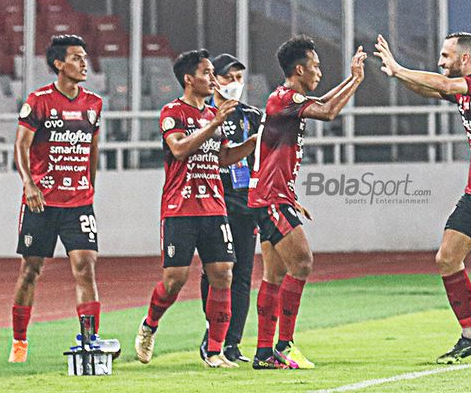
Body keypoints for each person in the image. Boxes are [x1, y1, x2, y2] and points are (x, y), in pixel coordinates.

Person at [374, 32, 471, 364]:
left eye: (445, 57)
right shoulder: (463, 90)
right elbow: (430, 88)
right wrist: (397, 74)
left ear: (464, 59)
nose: (440, 62)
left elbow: (444, 86)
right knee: (447, 258)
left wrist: (400, 67)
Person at [248, 35, 367, 369]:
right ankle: (284, 345)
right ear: (299, 69)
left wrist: (350, 79)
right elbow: (328, 111)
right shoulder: (284, 99)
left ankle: (263, 353)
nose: (319, 71)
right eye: (315, 65)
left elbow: (323, 101)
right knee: (302, 263)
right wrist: (356, 81)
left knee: (274, 275)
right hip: (271, 197)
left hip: (272, 195)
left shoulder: (286, 98)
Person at [134, 49, 257, 368]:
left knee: (223, 274)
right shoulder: (173, 111)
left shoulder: (213, 116)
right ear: (189, 79)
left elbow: (224, 158)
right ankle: (150, 325)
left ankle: (214, 351)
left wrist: (257, 140)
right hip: (180, 206)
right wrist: (214, 122)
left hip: (214, 206)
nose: (212, 79)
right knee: (174, 279)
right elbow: (178, 149)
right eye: (207, 73)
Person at [8, 34, 114, 363]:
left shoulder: (93, 104)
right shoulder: (38, 101)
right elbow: (21, 145)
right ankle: (19, 341)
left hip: (78, 202)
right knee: (31, 270)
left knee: (85, 267)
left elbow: (93, 150)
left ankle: (89, 339)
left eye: (85, 58)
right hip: (41, 202)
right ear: (59, 64)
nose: (85, 64)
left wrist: (90, 187)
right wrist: (29, 184)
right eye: (77, 58)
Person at [198, 54, 263, 364]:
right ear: (214, 81)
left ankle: (232, 343)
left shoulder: (253, 116)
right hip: (214, 202)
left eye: (239, 77)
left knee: (243, 275)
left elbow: (263, 160)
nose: (235, 84)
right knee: (214, 272)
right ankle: (214, 335)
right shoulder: (203, 115)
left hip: (245, 204)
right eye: (228, 77)